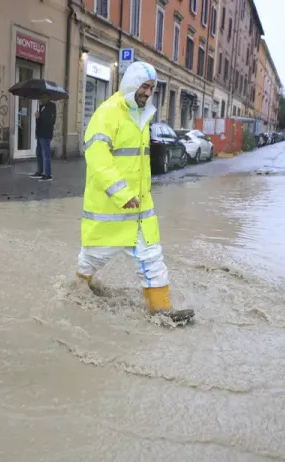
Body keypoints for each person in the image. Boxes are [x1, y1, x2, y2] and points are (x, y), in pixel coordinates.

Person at [75, 62, 194, 324]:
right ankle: (77, 290)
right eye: (144, 86)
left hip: (139, 209)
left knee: (152, 257)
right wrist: (121, 193)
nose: (148, 92)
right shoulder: (107, 114)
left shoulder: (142, 115)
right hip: (109, 210)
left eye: (151, 88)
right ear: (131, 84)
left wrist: (134, 196)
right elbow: (96, 157)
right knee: (92, 258)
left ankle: (162, 312)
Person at [29, 92, 56, 181]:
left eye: (43, 98)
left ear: (48, 98)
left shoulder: (51, 107)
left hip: (46, 134)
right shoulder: (40, 107)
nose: (41, 100)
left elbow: (50, 121)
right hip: (40, 134)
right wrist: (37, 118)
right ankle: (40, 171)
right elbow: (39, 122)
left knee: (46, 154)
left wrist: (40, 117)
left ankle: (48, 174)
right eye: (40, 98)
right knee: (39, 153)